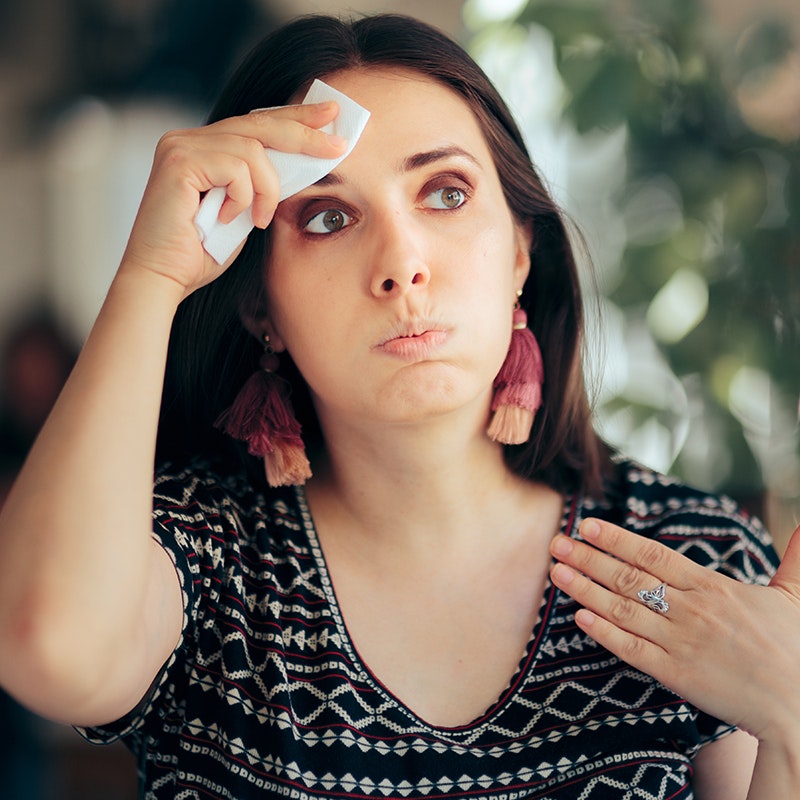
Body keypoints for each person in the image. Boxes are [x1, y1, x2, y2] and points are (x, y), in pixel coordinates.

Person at [0, 12, 798, 800]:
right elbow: (49, 649)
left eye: (445, 194)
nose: (401, 264)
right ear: (261, 309)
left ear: (521, 249)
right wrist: (150, 278)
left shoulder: (693, 561)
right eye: (328, 217)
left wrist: (793, 713)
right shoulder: (201, 558)